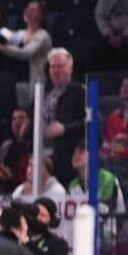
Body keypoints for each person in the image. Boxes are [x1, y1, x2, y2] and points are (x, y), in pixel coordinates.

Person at [42, 48, 86, 187]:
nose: (56, 70)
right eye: (52, 67)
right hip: (41, 153)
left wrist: (65, 129)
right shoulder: (43, 91)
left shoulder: (79, 91)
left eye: (60, 66)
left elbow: (92, 122)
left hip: (67, 155)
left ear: (70, 68)